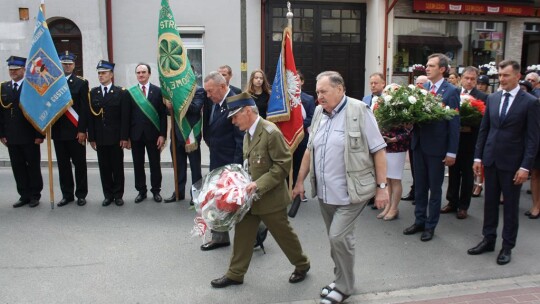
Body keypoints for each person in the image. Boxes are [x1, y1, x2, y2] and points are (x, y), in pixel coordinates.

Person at [292, 71, 388, 304]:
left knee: (337, 237)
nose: (319, 97)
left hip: (352, 192)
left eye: (324, 91)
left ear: (340, 89)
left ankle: (344, 287)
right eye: (317, 92)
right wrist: (299, 182)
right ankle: (341, 279)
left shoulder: (359, 111)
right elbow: (309, 150)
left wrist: (382, 187)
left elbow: (379, 149)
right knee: (340, 240)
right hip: (325, 193)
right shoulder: (318, 112)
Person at [211, 92, 310, 288]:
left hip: (270, 199)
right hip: (250, 198)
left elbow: (282, 165)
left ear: (248, 111)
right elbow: (250, 164)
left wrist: (258, 184)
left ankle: (301, 264)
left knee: (284, 235)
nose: (233, 122)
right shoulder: (248, 131)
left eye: (235, 117)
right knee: (242, 235)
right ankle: (235, 274)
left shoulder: (270, 132)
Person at [468, 60, 540, 265]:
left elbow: (533, 138)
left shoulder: (530, 102)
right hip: (490, 160)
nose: (501, 79)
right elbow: (485, 129)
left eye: (506, 75)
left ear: (518, 76)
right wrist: (478, 157)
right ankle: (488, 239)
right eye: (500, 75)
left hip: (513, 163)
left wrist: (525, 166)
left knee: (509, 207)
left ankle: (507, 246)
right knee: (489, 204)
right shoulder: (493, 98)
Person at [403, 53, 460, 242]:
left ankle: (430, 225)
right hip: (419, 145)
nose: (427, 68)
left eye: (431, 66)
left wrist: (452, 151)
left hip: (437, 148)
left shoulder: (451, 91)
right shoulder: (422, 89)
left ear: (442, 69)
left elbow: (453, 123)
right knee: (419, 187)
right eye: (426, 65)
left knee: (434, 190)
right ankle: (419, 220)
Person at [200, 71, 244, 251]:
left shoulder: (234, 103)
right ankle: (220, 237)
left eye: (211, 91)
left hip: (230, 163)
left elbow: (240, 138)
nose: (208, 96)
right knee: (216, 200)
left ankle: (259, 231)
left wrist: (235, 168)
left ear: (222, 86)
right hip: (217, 159)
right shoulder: (215, 102)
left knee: (238, 203)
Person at [442, 66, 488, 219]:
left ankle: (463, 206)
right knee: (453, 172)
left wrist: (470, 125)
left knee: (467, 175)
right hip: (455, 141)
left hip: (471, 141)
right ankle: (452, 201)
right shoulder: (454, 92)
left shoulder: (483, 97)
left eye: (472, 79)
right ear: (461, 78)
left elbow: (485, 122)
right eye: (466, 78)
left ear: (476, 80)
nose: (469, 82)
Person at [0, 56, 44, 208]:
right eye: (11, 70)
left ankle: (34, 194)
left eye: (16, 69)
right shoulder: (3, 88)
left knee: (32, 165)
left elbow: (39, 111)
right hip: (11, 135)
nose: (13, 72)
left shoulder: (31, 87)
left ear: (23, 70)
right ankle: (23, 194)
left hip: (29, 135)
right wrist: (2, 134)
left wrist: (40, 134)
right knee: (17, 166)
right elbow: (1, 113)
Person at [88, 60, 130, 207]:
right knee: (104, 168)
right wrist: (91, 138)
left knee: (117, 168)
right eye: (99, 73)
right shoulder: (93, 93)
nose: (101, 76)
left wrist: (124, 137)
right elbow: (91, 118)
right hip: (100, 138)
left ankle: (118, 195)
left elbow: (125, 117)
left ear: (111, 74)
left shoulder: (121, 93)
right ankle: (108, 195)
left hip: (116, 138)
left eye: (104, 73)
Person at [126, 63, 167, 203]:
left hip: (153, 135)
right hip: (135, 135)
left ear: (149, 74)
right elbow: (127, 116)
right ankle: (141, 191)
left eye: (143, 72)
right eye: (138, 72)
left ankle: (156, 190)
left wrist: (162, 135)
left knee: (155, 164)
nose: (141, 75)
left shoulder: (158, 91)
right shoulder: (130, 92)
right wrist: (126, 137)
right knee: (138, 164)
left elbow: (162, 116)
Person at [53, 51, 89, 207]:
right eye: (63, 64)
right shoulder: (53, 83)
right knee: (63, 165)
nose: (66, 66)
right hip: (59, 132)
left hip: (75, 132)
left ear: (74, 65)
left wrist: (82, 130)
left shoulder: (81, 83)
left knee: (79, 164)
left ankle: (81, 194)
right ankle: (67, 194)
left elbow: (84, 109)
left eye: (69, 64)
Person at [164, 87, 204, 204]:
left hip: (190, 134)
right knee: (178, 166)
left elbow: (195, 109)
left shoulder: (198, 91)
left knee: (195, 167)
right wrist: (169, 106)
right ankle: (178, 192)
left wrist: (177, 101)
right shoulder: (173, 91)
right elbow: (168, 112)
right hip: (176, 135)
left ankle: (196, 194)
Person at [402, 75, 429, 203]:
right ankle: (415, 191)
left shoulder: (430, 98)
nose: (419, 86)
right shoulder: (410, 99)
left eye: (422, 83)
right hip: (414, 140)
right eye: (417, 83)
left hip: (428, 140)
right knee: (415, 168)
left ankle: (422, 193)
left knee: (426, 171)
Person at [377, 125, 411, 221]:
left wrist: (392, 139)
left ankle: (394, 208)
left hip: (398, 148)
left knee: (395, 179)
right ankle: (388, 206)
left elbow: (408, 133)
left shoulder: (404, 111)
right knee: (387, 179)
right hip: (385, 148)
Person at [292, 70, 315, 194]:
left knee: (300, 164)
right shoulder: (286, 99)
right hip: (288, 137)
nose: (296, 82)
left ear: (302, 82)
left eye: (298, 80)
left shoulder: (309, 98)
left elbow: (311, 117)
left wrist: (299, 127)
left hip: (302, 135)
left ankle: (298, 188)